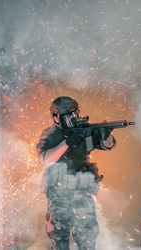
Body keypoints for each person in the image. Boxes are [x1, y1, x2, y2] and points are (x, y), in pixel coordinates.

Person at [36, 96, 116, 250]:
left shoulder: (84, 130)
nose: (75, 118)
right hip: (59, 196)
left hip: (83, 194)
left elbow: (109, 146)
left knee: (87, 240)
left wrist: (106, 134)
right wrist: (66, 143)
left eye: (76, 113)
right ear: (56, 117)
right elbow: (45, 159)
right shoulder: (50, 134)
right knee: (59, 240)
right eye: (70, 115)